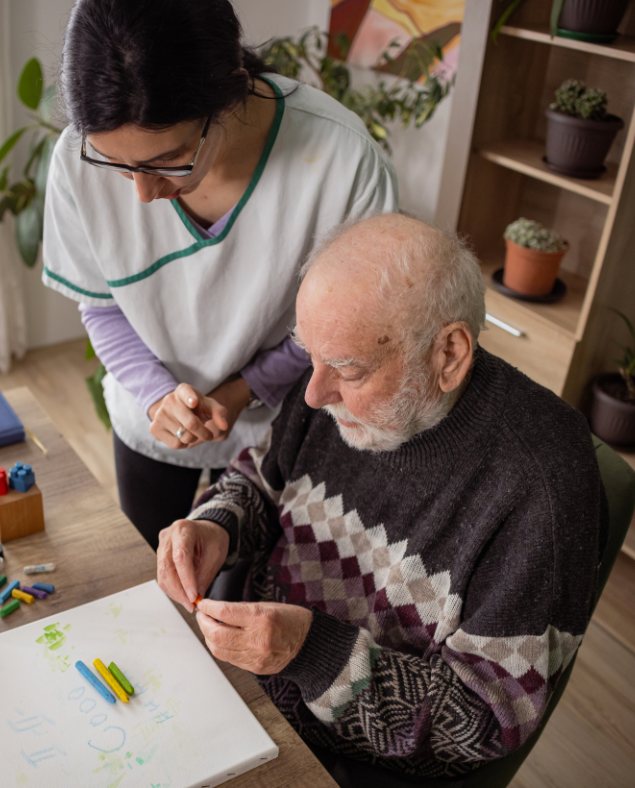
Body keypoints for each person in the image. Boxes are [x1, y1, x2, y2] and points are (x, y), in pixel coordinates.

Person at [156, 214, 607, 785]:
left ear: (449, 355)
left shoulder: (543, 488)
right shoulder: (331, 379)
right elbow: (261, 480)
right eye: (309, 357)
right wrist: (218, 525)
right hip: (242, 686)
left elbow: (487, 721)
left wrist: (308, 653)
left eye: (347, 370)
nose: (315, 394)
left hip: (351, 762)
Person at [42, 0, 398, 550]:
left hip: (280, 428)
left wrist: (244, 390)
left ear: (230, 92)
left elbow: (341, 325)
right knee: (155, 576)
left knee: (247, 590)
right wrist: (158, 396)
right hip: (151, 417)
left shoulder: (340, 160)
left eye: (171, 159)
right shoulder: (76, 159)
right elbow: (102, 304)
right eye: (119, 166)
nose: (143, 193)